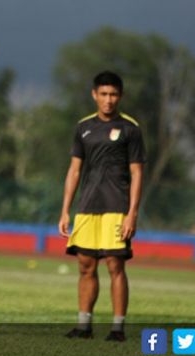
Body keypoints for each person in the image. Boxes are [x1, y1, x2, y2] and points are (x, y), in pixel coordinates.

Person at [58, 71, 145, 342]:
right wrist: (65, 210)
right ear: (94, 95)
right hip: (87, 206)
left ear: (120, 96)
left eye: (114, 95)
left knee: (115, 265)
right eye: (104, 94)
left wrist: (132, 213)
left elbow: (137, 173)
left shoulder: (131, 128)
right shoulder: (83, 127)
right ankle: (84, 325)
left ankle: (117, 328)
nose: (109, 100)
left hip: (117, 206)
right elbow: (74, 170)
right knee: (85, 265)